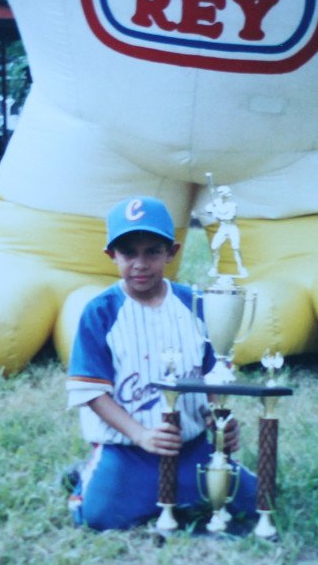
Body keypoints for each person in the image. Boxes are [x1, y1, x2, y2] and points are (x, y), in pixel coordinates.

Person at [66, 195, 258, 531]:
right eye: (128, 253)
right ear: (112, 255)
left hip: (191, 445)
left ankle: (167, 490)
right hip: (128, 449)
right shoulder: (101, 312)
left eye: (152, 251)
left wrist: (219, 423)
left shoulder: (195, 304)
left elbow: (215, 374)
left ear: (172, 252)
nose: (140, 264)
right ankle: (87, 475)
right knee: (97, 517)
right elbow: (92, 393)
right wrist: (141, 435)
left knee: (257, 500)